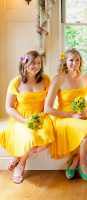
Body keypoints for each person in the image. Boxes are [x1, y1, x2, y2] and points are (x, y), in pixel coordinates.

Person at [44, 48, 87, 181]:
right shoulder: (58, 79)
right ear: (65, 61)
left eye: (77, 60)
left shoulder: (86, 78)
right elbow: (47, 108)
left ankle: (75, 160)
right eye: (71, 60)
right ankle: (83, 164)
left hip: (82, 113)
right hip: (65, 116)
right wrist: (71, 115)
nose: (74, 63)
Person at [0, 51, 54, 184]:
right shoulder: (16, 81)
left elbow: (51, 101)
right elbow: (9, 107)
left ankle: (18, 157)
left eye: (39, 63)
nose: (36, 66)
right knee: (31, 139)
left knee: (48, 140)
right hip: (21, 118)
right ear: (25, 63)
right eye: (33, 63)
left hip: (41, 116)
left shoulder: (46, 79)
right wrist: (24, 121)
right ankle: (21, 165)